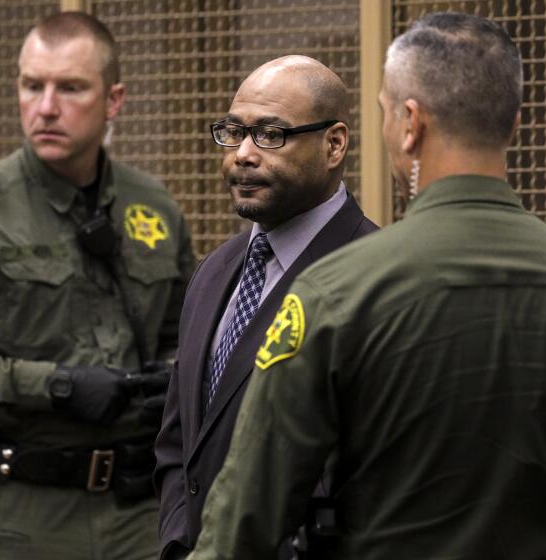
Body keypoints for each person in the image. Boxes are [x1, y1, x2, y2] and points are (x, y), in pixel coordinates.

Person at [187, 12, 546, 560]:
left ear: (410, 124)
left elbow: (247, 515)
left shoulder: (338, 293)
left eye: (386, 115)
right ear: (512, 126)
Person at [0, 11, 196, 560]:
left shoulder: (155, 208)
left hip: (139, 509)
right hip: (17, 512)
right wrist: (55, 386)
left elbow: (185, 338)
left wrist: (167, 386)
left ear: (113, 100)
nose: (46, 107)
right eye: (32, 86)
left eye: (70, 88)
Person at [153, 55, 378, 559]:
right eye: (234, 132)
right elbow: (177, 443)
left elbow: (369, 472)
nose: (243, 154)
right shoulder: (213, 271)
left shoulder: (375, 278)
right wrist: (178, 543)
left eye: (271, 134)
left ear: (334, 144)